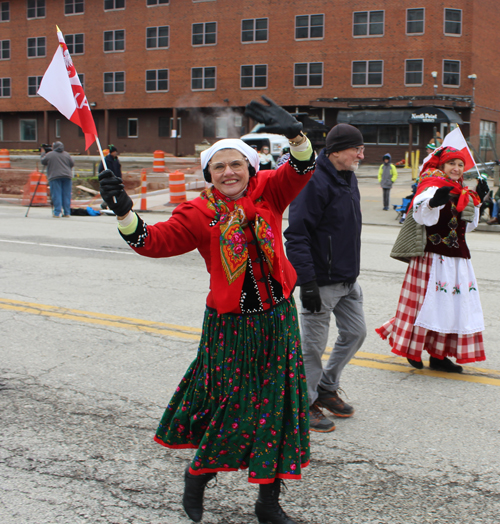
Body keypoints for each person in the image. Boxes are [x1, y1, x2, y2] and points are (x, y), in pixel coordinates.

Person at [98, 96, 314, 524]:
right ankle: (198, 476)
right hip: (229, 327)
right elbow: (154, 242)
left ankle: (268, 504)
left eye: (236, 165)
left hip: (277, 320)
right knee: (231, 407)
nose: (229, 172)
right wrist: (125, 213)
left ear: (251, 168)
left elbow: (303, 167)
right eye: (219, 167)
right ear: (209, 175)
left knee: (278, 406)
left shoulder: (270, 190)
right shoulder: (199, 211)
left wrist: (295, 134)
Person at [284, 123, 367, 433]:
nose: (361, 153)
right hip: (320, 282)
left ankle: (327, 387)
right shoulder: (313, 182)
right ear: (335, 152)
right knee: (312, 348)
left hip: (347, 279)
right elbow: (296, 236)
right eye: (355, 149)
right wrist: (307, 282)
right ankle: (304, 404)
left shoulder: (348, 177)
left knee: (356, 334)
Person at [376, 146, 489, 373]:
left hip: (457, 258)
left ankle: (439, 355)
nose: (456, 169)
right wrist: (433, 202)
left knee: (450, 307)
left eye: (460, 165)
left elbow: (470, 225)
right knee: (423, 306)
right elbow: (420, 213)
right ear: (442, 166)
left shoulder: (463, 191)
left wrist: (479, 201)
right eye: (451, 164)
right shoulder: (430, 186)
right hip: (432, 257)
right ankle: (412, 349)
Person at [41, 141, 74, 218]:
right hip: (67, 176)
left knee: (56, 194)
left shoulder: (50, 154)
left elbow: (43, 161)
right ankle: (67, 212)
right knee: (66, 194)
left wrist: (43, 153)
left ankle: (57, 212)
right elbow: (72, 164)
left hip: (55, 176)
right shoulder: (66, 154)